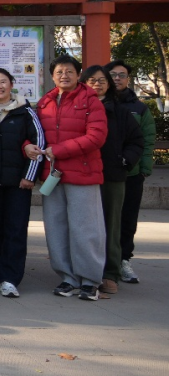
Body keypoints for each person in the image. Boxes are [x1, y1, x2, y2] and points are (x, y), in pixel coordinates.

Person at [36, 55, 108, 301]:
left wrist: (59, 150)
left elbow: (96, 137)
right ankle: (68, 278)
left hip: (83, 174)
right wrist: (27, 146)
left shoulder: (90, 101)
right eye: (59, 72)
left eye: (69, 71)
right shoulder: (45, 102)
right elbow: (34, 134)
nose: (64, 75)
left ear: (78, 75)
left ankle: (90, 281)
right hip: (52, 175)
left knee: (86, 229)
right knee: (56, 228)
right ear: (52, 76)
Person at [79, 65, 143, 296]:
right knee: (83, 226)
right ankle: (83, 271)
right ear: (84, 83)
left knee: (110, 225)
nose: (97, 84)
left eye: (102, 80)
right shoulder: (78, 108)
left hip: (111, 175)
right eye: (92, 80)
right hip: (81, 174)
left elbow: (137, 141)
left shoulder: (121, 112)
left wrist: (125, 161)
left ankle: (110, 272)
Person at [0, 68, 43, 298]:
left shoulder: (25, 112)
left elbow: (39, 143)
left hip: (18, 183)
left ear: (11, 84)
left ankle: (11, 278)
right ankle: (2, 273)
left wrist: (30, 176)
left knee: (15, 230)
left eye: (3, 82)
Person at [107, 60, 155, 284]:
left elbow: (147, 139)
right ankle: (104, 263)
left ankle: (124, 259)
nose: (117, 78)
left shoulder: (139, 108)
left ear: (128, 79)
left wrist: (144, 169)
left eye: (122, 75)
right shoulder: (97, 103)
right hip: (105, 173)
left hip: (131, 174)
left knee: (127, 219)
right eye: (113, 74)